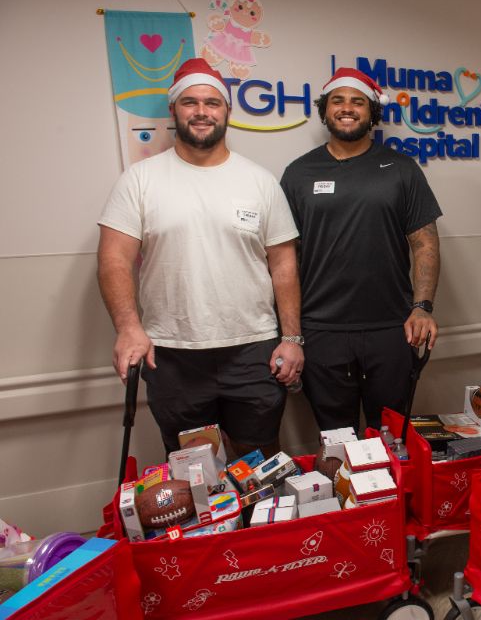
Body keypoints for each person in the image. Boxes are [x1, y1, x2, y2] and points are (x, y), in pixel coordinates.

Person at [97, 58, 303, 458]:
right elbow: (114, 261)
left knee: (257, 465)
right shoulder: (140, 180)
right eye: (190, 102)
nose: (202, 112)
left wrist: (292, 338)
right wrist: (128, 327)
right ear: (174, 109)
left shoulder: (259, 181)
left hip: (253, 349)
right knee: (195, 473)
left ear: (227, 111)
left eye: (212, 102)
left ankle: (260, 524)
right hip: (173, 355)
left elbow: (284, 266)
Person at [281, 68, 442, 433]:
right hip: (321, 330)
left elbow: (425, 242)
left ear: (372, 113)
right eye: (338, 100)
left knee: (390, 433)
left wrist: (422, 307)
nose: (347, 108)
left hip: (391, 328)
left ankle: (393, 493)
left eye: (358, 101)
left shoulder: (401, 169)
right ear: (325, 111)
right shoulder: (298, 173)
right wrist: (289, 332)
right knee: (336, 438)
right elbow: (284, 258)